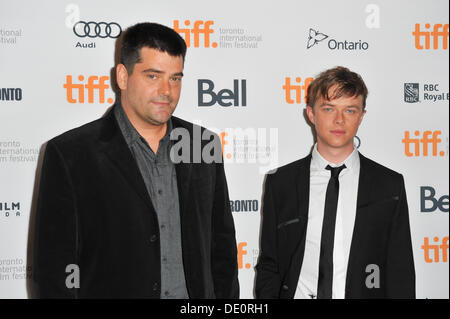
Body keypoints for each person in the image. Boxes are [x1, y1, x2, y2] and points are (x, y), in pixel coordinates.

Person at [33, 22, 239, 299]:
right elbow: (55, 272)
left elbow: (222, 249)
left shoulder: (202, 145)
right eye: (153, 76)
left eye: (175, 78)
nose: (166, 90)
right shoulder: (71, 154)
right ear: (122, 76)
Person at [255, 66, 415, 299]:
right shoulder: (281, 183)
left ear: (361, 116)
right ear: (311, 113)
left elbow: (400, 272)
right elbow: (270, 264)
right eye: (329, 108)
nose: (339, 120)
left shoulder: (389, 185)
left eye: (349, 110)